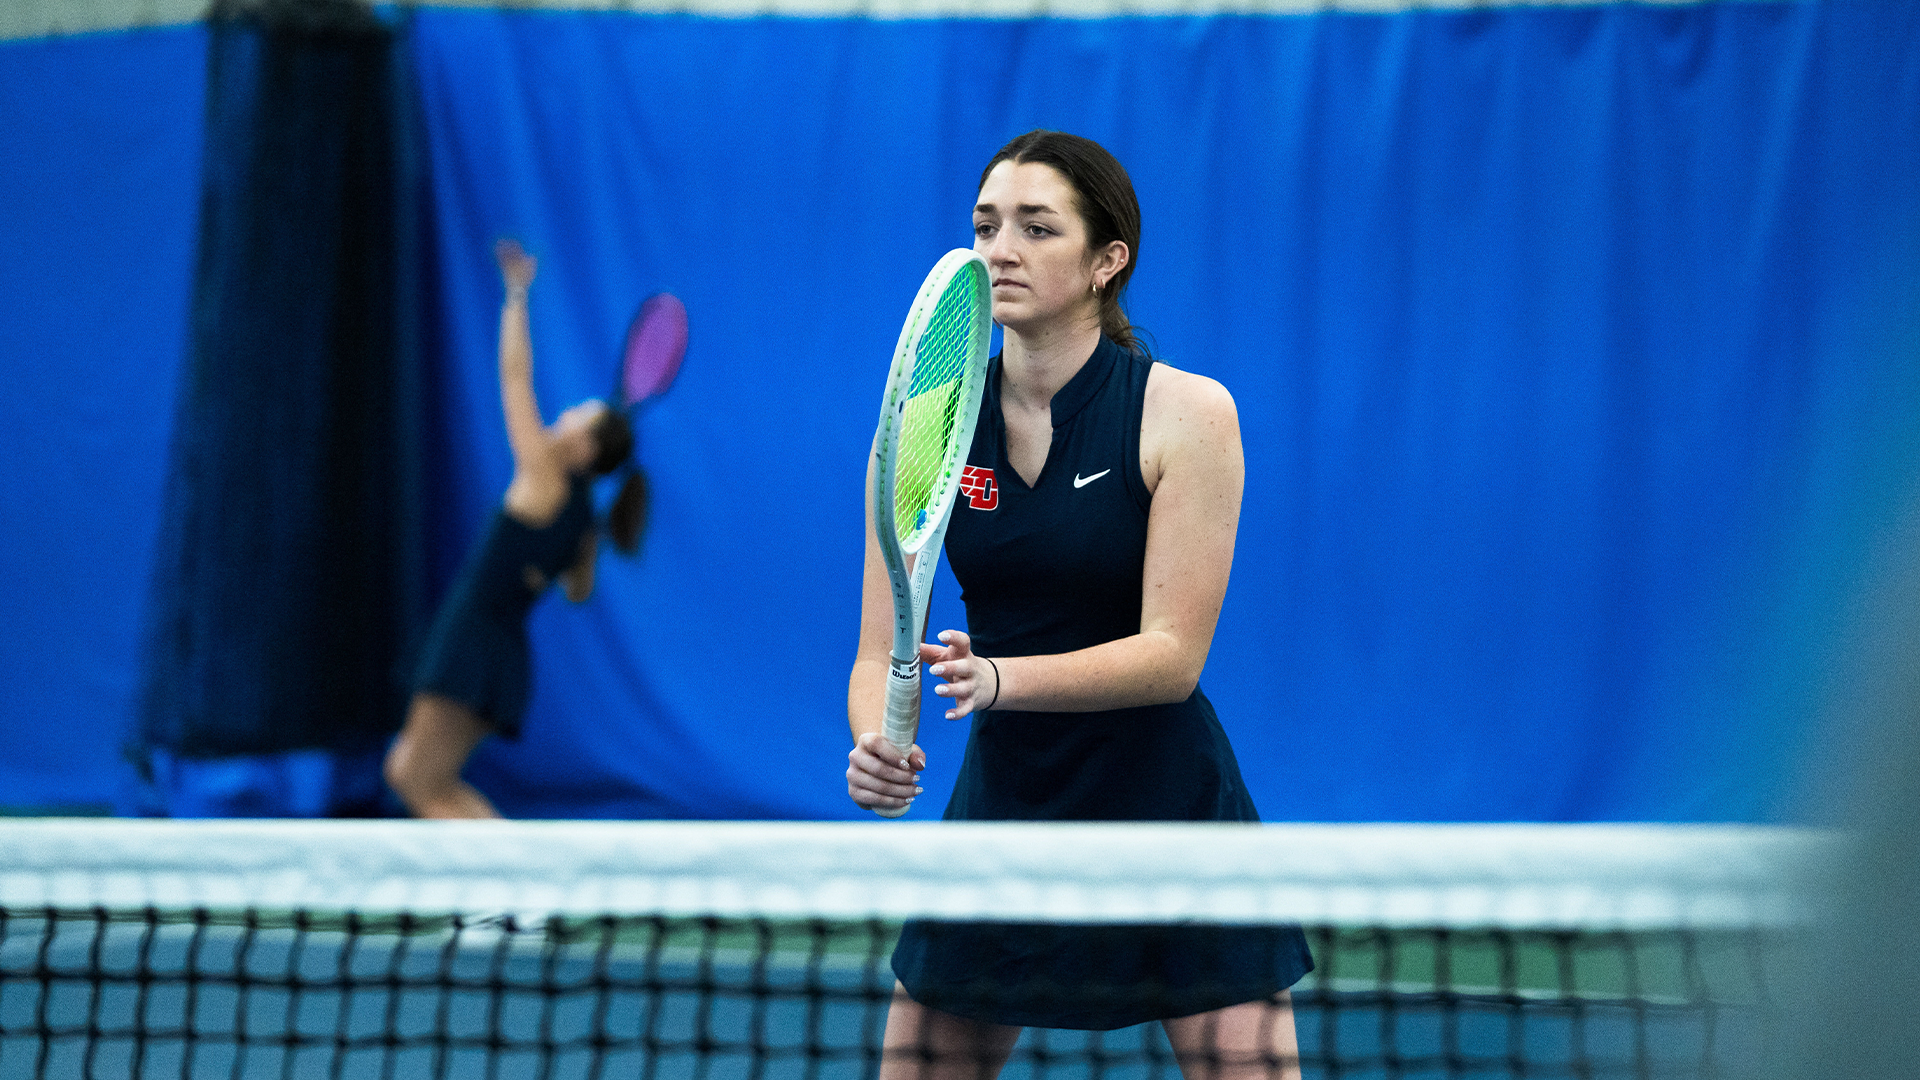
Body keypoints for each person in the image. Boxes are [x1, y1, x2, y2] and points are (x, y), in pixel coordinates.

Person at [845, 131, 1312, 1079]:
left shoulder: (1187, 413)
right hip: (1009, 805)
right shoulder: (923, 427)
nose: (999, 249)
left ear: (1108, 262)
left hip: (1168, 805)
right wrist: (876, 744)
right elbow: (877, 650)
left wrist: (1000, 679)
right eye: (985, 225)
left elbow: (1173, 654)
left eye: (1036, 227)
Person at [384, 239, 646, 819]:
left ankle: (510, 901)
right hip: (497, 655)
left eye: (575, 415)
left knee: (412, 776)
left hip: (471, 644)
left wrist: (516, 294)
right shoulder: (581, 521)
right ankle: (519, 898)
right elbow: (578, 591)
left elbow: (514, 379)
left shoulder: (546, 477)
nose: (561, 416)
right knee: (427, 777)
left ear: (584, 449)